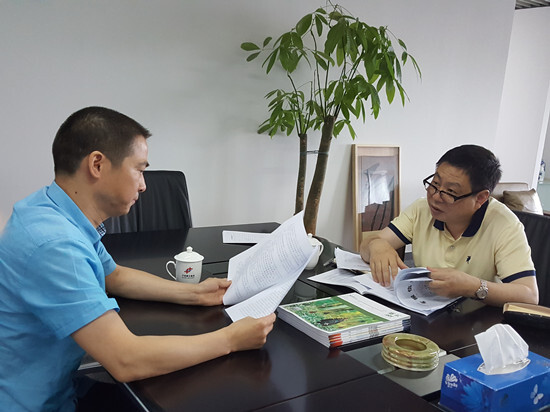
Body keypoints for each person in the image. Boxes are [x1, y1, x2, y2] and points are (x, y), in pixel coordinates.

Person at [0, 106, 276, 411]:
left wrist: (195, 294)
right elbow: (125, 359)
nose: (144, 185)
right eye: (139, 169)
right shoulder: (56, 245)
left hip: (58, 385)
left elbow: (113, 275)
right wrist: (231, 340)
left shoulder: (50, 209)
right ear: (97, 164)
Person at [360, 144, 539, 306]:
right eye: (435, 184)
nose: (436, 196)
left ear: (480, 198)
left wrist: (472, 287)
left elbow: (529, 296)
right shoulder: (421, 209)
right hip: (425, 311)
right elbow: (366, 246)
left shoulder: (504, 225)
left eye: (451, 191)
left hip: (478, 322)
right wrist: (377, 246)